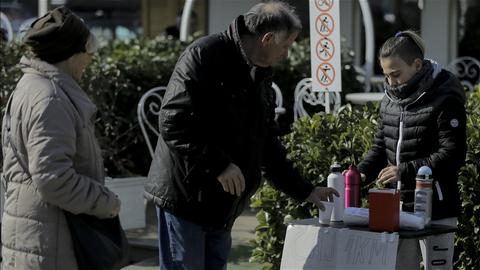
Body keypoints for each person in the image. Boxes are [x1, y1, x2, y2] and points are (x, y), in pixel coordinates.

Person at [144, 1, 339, 269]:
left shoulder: (261, 73)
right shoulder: (205, 54)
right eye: (286, 45)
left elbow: (266, 143)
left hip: (222, 206)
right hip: (185, 199)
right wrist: (220, 164)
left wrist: (305, 190)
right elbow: (173, 122)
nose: (286, 53)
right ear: (268, 38)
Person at [1, 7, 121, 270]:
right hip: (50, 243)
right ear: (70, 54)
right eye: (87, 53)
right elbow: (53, 179)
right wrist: (106, 202)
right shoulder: (50, 97)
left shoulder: (31, 85)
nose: (90, 60)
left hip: (38, 235)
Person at [357, 30, 466, 270]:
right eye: (386, 76)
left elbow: (453, 153)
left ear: (417, 65)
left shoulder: (445, 97)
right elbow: (380, 146)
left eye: (396, 74)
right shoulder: (389, 99)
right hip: (396, 208)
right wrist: (361, 173)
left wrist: (404, 170)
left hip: (437, 207)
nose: (391, 82)